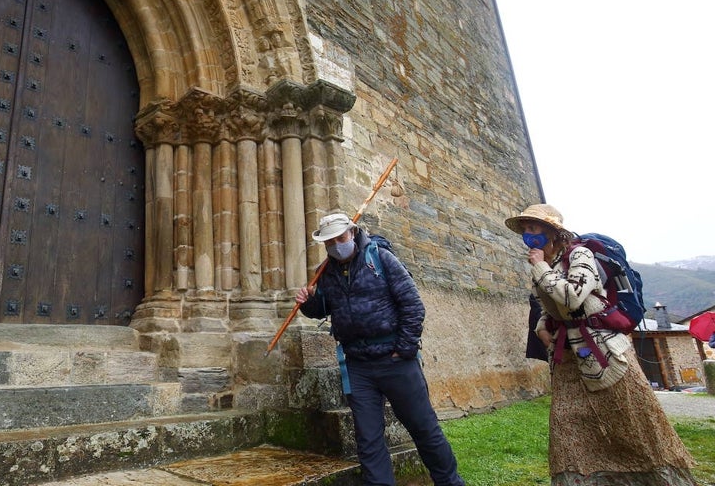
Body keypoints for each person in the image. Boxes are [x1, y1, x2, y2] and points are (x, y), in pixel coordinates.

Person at [505, 204, 698, 486]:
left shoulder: (579, 256)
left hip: (604, 352)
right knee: (567, 426)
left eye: (533, 228)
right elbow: (551, 305)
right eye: (525, 229)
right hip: (568, 358)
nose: (528, 234)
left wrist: (540, 268)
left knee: (632, 423)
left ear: (552, 232)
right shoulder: (547, 263)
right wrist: (541, 326)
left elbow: (572, 297)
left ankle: (658, 479)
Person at [296, 213, 465, 486]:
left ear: (352, 233)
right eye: (329, 242)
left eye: (340, 238)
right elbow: (324, 309)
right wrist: (308, 302)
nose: (336, 245)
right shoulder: (325, 272)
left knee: (423, 428)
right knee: (368, 439)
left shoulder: (381, 258)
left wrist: (405, 348)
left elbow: (412, 305)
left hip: (395, 360)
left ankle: (449, 482)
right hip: (358, 366)